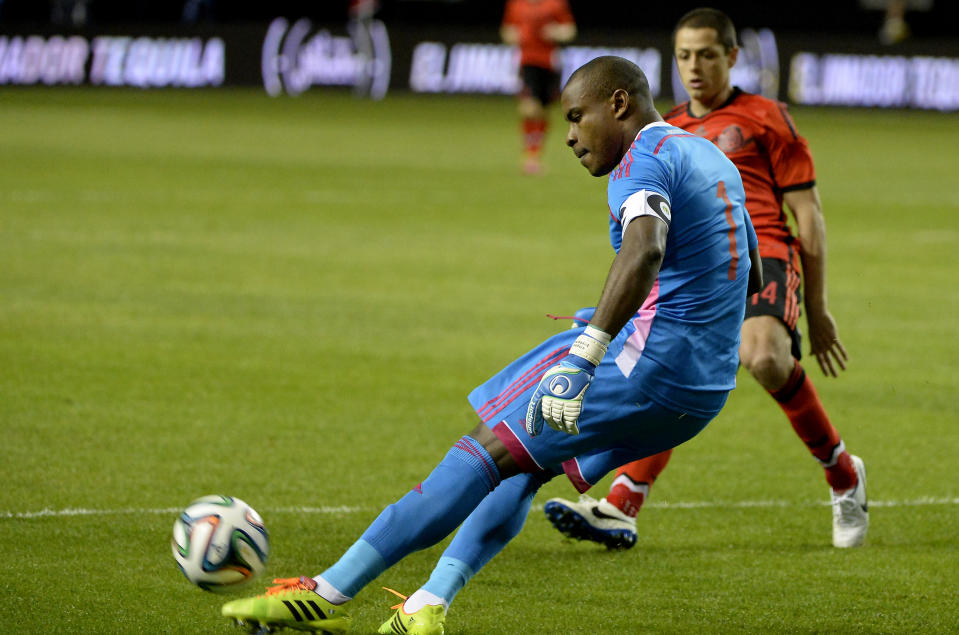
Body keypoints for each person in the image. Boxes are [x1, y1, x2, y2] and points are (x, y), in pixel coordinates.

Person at [220, 55, 761, 634]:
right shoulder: (711, 157)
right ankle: (426, 604)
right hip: (702, 392)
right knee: (529, 465)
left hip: (642, 367)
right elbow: (746, 274)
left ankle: (326, 594)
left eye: (578, 118)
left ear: (620, 104)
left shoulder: (642, 160)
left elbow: (645, 247)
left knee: (482, 453)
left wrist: (592, 348)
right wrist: (638, 316)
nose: (571, 138)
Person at [543, 7, 868, 552]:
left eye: (707, 55)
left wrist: (817, 307)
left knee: (764, 356)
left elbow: (808, 215)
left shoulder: (767, 117)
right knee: (671, 371)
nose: (694, 67)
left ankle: (842, 474)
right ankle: (623, 502)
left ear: (732, 57)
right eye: (684, 56)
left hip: (762, 255)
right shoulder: (661, 128)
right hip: (692, 271)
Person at [500, 0, 576, 174]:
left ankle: (535, 157)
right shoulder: (516, 4)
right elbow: (507, 30)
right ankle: (531, 158)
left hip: (549, 64)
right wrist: (514, 36)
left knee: (542, 110)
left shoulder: (556, 4)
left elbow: (569, 31)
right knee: (529, 108)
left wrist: (555, 33)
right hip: (527, 63)